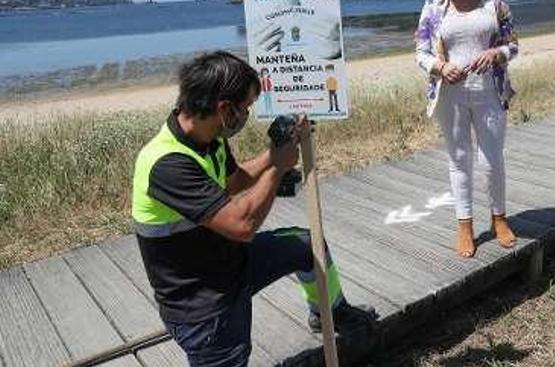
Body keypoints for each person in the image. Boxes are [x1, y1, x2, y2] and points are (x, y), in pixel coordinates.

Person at [131, 51, 374, 366]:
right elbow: (242, 225)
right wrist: (278, 169)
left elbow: (233, 181)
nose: (246, 115)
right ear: (224, 108)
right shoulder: (166, 164)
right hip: (202, 303)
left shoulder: (208, 137)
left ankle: (331, 312)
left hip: (228, 261)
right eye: (245, 108)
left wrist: (275, 153)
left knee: (308, 246)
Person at [415, 0, 518, 258]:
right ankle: (465, 225)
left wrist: (496, 54)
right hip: (450, 96)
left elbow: (513, 44)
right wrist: (440, 66)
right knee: (459, 160)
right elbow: (420, 51)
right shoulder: (433, 5)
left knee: (492, 160)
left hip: (489, 92)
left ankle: (499, 218)